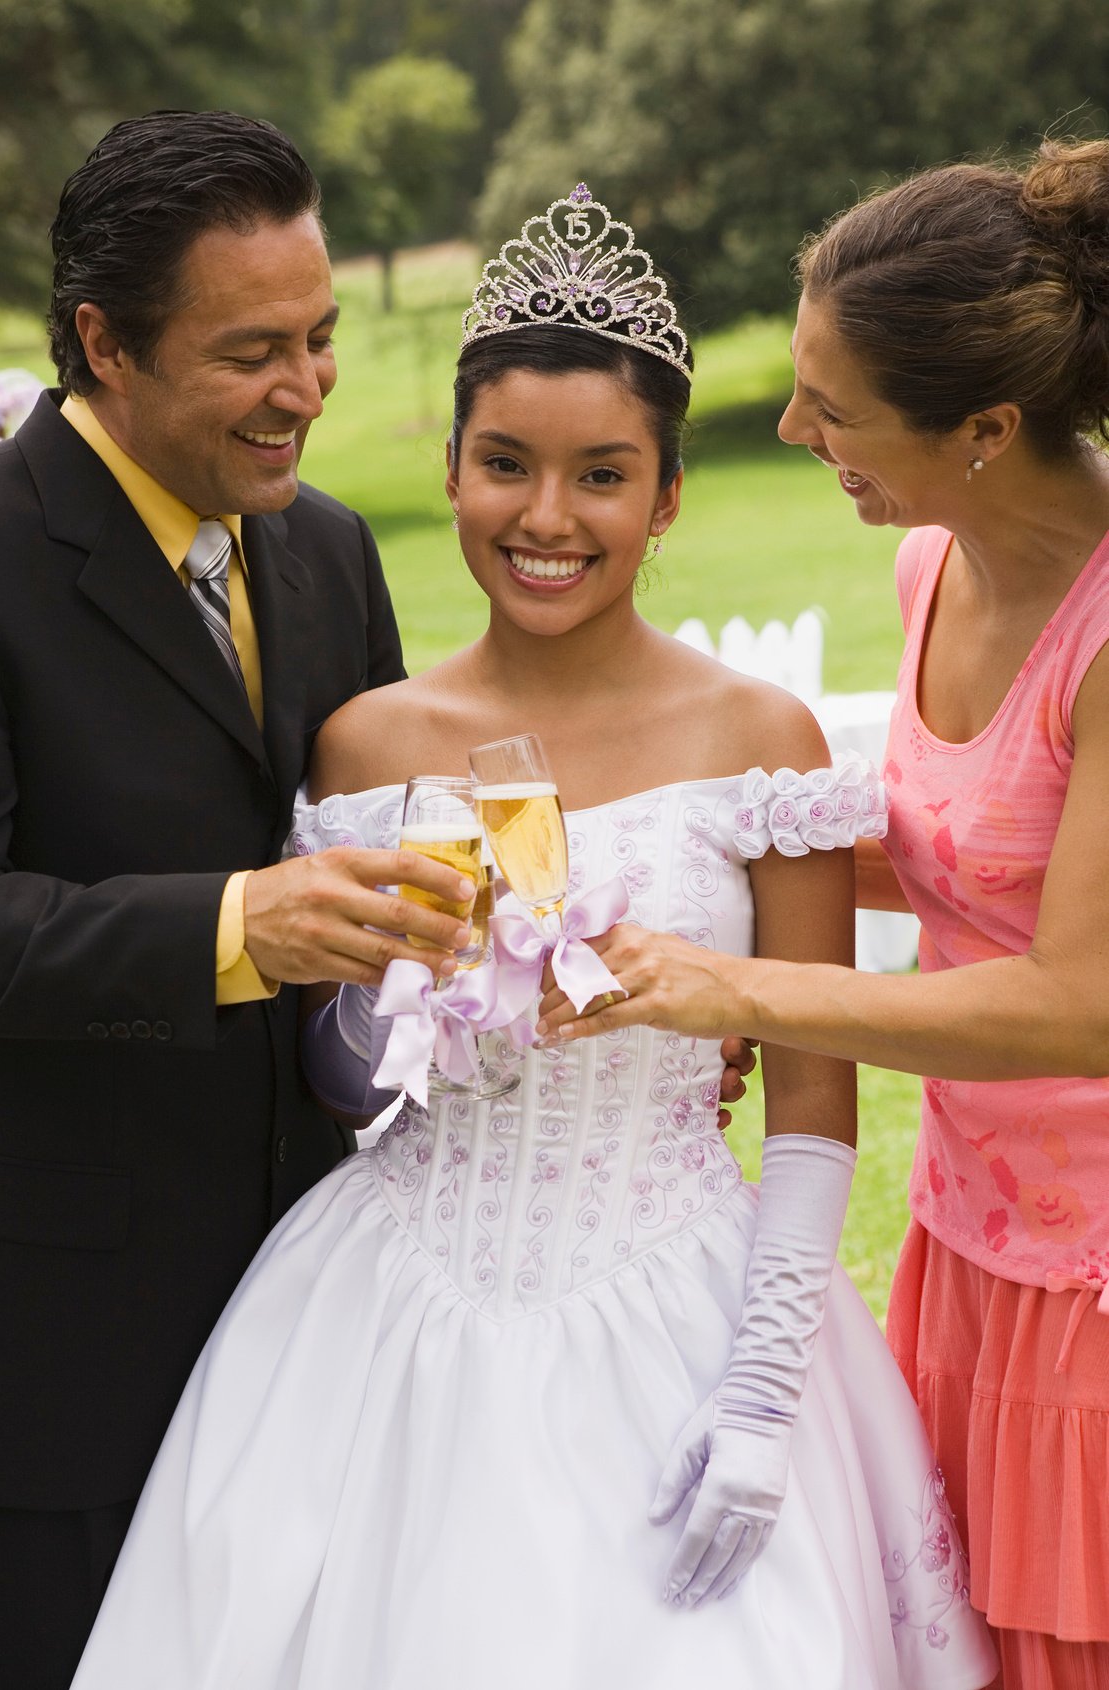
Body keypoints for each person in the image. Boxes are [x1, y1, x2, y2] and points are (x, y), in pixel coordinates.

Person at [72, 185, 995, 1690]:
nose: (547, 518)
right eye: (505, 464)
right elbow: (339, 1085)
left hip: (680, 1300)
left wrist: (761, 1393)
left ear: (668, 496)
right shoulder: (367, 744)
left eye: (602, 475)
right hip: (385, 1316)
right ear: (449, 470)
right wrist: (398, 1001)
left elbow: (817, 1105)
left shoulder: (759, 741)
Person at [538, 139, 1109, 1690]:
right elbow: (950, 857)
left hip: (1094, 1289)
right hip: (971, 1244)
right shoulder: (937, 564)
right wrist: (656, 841)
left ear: (985, 427)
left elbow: (1074, 998)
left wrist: (723, 984)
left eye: (832, 408)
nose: (792, 430)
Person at [0, 110, 478, 1689]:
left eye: (323, 339)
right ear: (103, 344)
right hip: (57, 1348)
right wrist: (229, 929)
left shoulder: (327, 550)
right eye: (253, 350)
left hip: (325, 1315)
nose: (307, 390)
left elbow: (407, 864)